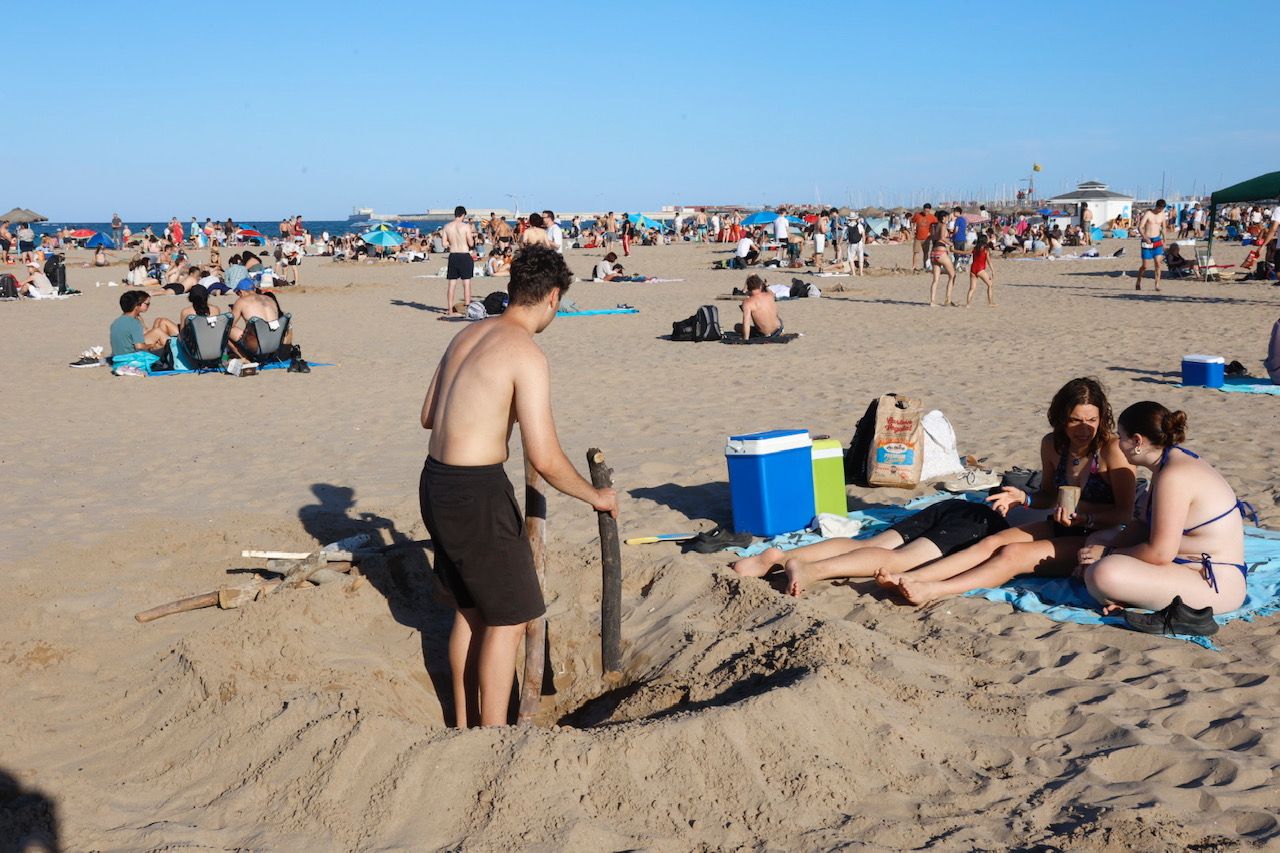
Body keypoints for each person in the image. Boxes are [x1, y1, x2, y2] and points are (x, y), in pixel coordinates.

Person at [418, 244, 617, 727]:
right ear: (551, 297)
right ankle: (492, 737)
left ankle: (464, 725)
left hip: (434, 480)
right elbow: (545, 457)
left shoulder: (468, 334)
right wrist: (597, 496)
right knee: (509, 617)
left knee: (471, 612)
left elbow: (427, 416)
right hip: (474, 491)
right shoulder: (525, 352)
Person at [878, 377, 1137, 606]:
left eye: (1092, 420)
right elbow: (1048, 495)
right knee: (992, 541)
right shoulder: (1052, 445)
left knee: (1011, 553)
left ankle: (934, 589)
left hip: (1101, 537)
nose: (1084, 429)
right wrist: (1024, 497)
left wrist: (1086, 519)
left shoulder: (1111, 450)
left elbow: (1125, 514)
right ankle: (910, 577)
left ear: (1102, 418)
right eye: (1075, 420)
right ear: (1061, 419)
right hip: (1063, 525)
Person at [1079, 402, 1251, 619]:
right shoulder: (1168, 463)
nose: (1119, 444)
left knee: (1103, 573)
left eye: (1120, 436)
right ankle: (1127, 593)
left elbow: (1160, 553)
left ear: (1137, 441)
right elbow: (1142, 525)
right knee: (1098, 540)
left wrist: (1106, 553)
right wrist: (1098, 550)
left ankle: (1124, 593)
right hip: (1186, 566)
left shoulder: (1174, 476)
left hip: (1214, 582)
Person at [732, 498, 1011, 597]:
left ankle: (779, 556)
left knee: (868, 544)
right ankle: (811, 571)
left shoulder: (1050, 447)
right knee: (903, 559)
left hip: (957, 505)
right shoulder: (1052, 456)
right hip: (983, 521)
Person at [109, 290, 178, 361]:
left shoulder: (117, 322)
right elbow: (139, 346)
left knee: (160, 322)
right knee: (158, 331)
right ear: (137, 306)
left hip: (121, 356)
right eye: (147, 304)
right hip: (132, 358)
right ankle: (177, 354)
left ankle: (175, 346)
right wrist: (152, 345)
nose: (149, 306)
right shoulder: (134, 322)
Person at [228, 282, 289, 358]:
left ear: (242, 291)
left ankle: (245, 358)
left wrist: (232, 311)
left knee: (226, 329)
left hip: (256, 346)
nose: (238, 296)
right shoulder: (269, 299)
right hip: (274, 344)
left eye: (238, 293)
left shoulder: (242, 301)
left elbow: (230, 323)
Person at [442, 206, 477, 318]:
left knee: (452, 284)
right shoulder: (466, 226)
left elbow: (444, 244)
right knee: (466, 284)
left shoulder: (447, 227)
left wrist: (452, 243)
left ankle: (449, 309)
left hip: (453, 255)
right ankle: (467, 308)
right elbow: (471, 243)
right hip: (464, 255)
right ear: (463, 215)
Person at [734, 274, 783, 339]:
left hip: (765, 334)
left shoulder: (747, 303)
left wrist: (745, 339)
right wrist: (766, 286)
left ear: (748, 288)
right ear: (760, 286)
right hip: (778, 329)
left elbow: (746, 322)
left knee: (737, 327)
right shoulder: (769, 295)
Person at [1136, 199, 1168, 292]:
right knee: (1145, 266)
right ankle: (1138, 281)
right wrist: (1145, 237)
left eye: (1162, 209)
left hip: (1157, 240)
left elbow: (1164, 229)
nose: (1160, 210)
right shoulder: (1148, 214)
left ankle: (1157, 284)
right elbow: (1140, 227)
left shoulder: (1162, 215)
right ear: (1156, 206)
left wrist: (1165, 241)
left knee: (1158, 263)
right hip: (1147, 241)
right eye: (1159, 208)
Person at [927, 209, 957, 306]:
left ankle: (932, 301)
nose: (948, 219)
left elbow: (933, 237)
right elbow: (942, 238)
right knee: (952, 275)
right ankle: (948, 299)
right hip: (941, 251)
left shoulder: (934, 226)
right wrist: (951, 243)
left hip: (933, 252)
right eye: (947, 217)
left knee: (935, 279)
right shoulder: (943, 225)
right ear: (943, 217)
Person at [961, 234, 996, 306]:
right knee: (990, 285)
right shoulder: (986, 249)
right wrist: (993, 271)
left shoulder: (975, 248)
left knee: (972, 288)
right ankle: (990, 303)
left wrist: (954, 250)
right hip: (980, 269)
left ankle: (968, 304)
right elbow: (989, 261)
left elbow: (965, 253)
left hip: (973, 269)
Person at [910, 203, 936, 272]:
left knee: (926, 253)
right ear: (923, 209)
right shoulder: (917, 215)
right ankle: (914, 266)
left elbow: (936, 225)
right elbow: (912, 222)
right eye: (925, 211)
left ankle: (925, 266)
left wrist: (931, 233)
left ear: (930, 210)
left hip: (926, 238)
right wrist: (912, 230)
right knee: (916, 252)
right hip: (918, 237)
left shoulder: (932, 217)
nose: (926, 212)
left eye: (928, 211)